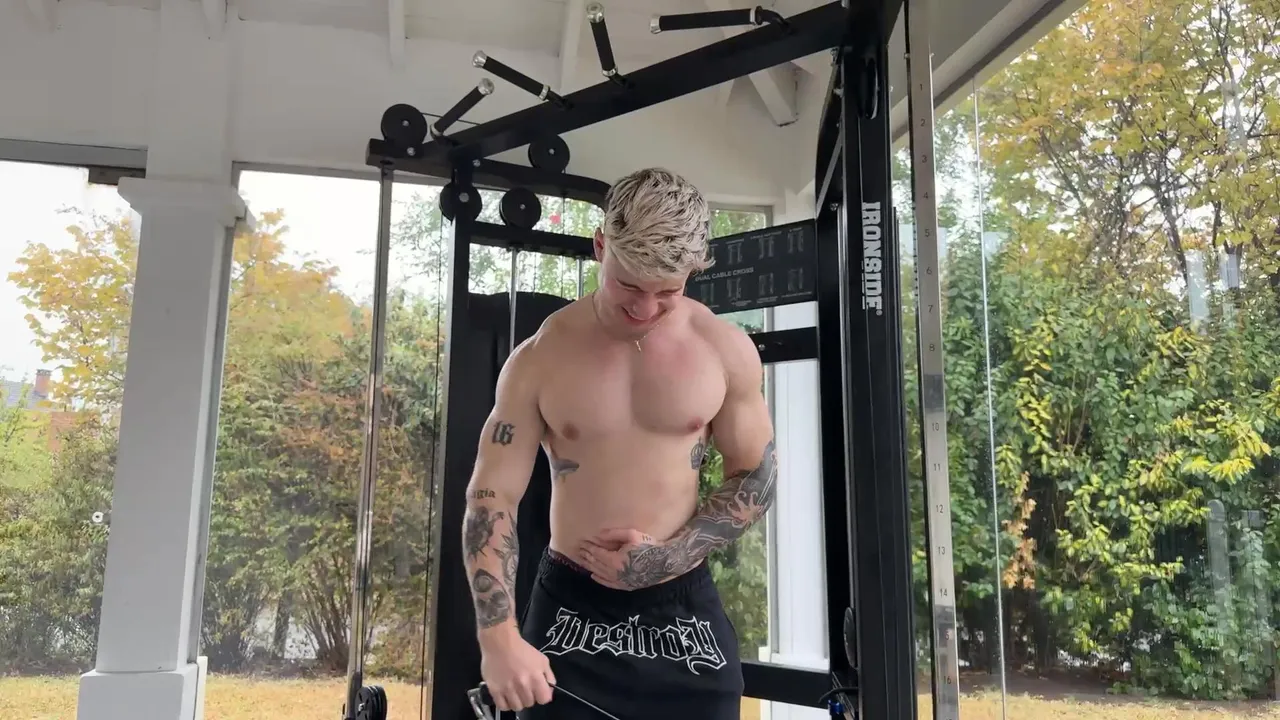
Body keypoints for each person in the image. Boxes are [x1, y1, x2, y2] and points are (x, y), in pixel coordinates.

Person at [461, 167, 777, 719]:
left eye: (668, 292)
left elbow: (756, 474)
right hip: (570, 608)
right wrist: (498, 638)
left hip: (682, 605)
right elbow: (492, 497)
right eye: (629, 285)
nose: (644, 309)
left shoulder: (723, 351)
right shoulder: (540, 358)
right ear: (601, 246)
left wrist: (669, 557)